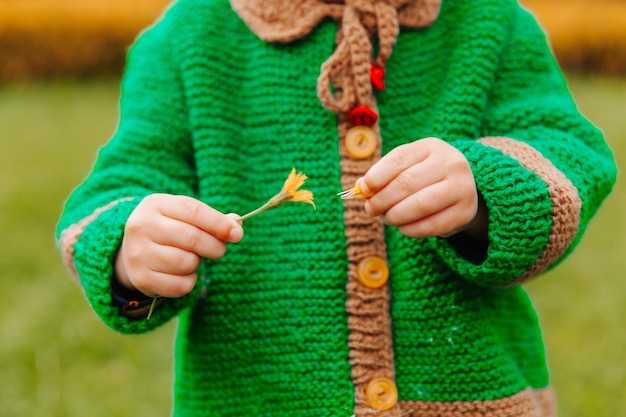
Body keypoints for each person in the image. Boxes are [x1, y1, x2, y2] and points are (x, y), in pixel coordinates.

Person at [56, 0, 617, 416]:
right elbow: (120, 185)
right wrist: (130, 251)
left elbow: (566, 151)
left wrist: (485, 188)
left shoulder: (491, 22)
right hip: (257, 399)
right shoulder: (185, 40)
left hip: (474, 395)